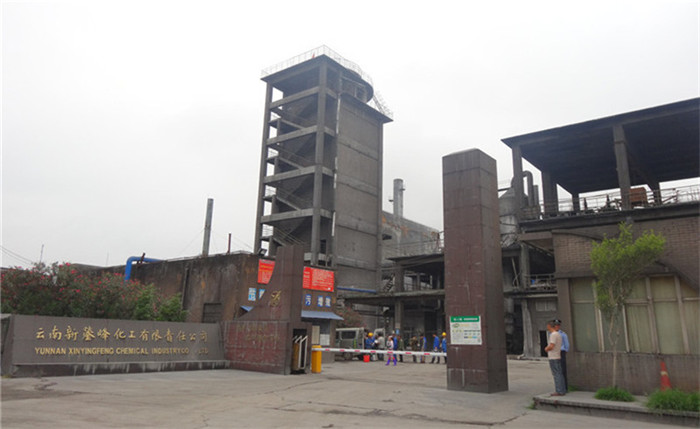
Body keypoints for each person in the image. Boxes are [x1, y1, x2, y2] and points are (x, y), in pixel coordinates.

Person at [544, 321, 566, 396]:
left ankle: (559, 390)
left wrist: (546, 349)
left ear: (550, 326)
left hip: (553, 356)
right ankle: (562, 390)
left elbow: (551, 346)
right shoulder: (558, 334)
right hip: (557, 355)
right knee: (559, 373)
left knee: (556, 374)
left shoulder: (553, 335)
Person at [553, 319, 569, 391]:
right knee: (556, 371)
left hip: (561, 352)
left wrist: (564, 351)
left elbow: (567, 345)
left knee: (562, 370)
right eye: (555, 325)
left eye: (558, 325)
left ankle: (564, 387)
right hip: (554, 353)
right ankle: (558, 388)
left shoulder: (563, 334)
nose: (557, 326)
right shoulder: (551, 334)